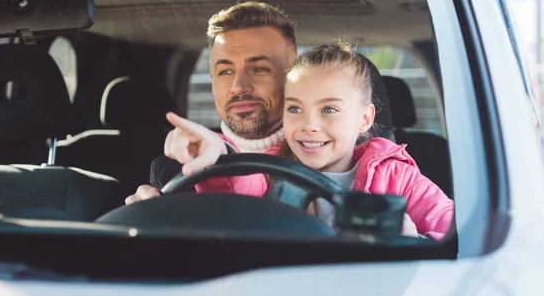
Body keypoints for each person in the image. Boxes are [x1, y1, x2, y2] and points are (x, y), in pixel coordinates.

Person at [163, 43, 453, 240]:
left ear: (364, 119)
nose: (309, 125)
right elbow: (234, 188)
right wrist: (220, 155)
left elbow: (457, 231)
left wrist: (414, 241)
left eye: (329, 109)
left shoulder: (398, 177)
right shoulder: (270, 172)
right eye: (295, 109)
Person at [125, 1, 296, 204]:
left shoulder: (324, 155)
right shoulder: (172, 169)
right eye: (225, 71)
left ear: (294, 77)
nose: (239, 86)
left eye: (260, 68)